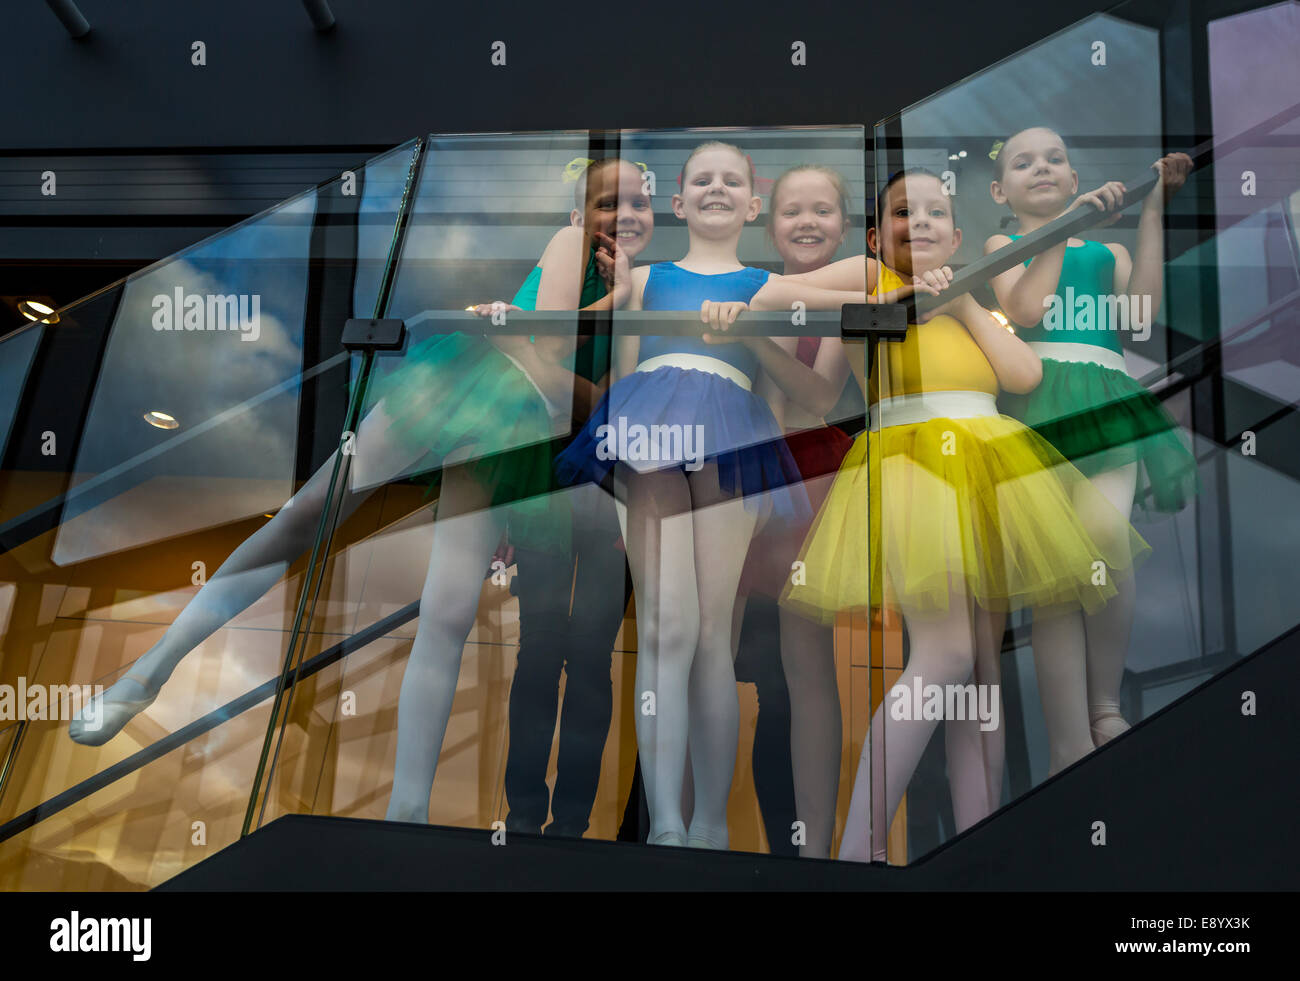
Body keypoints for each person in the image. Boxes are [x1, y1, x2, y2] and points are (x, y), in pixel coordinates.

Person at [986, 128, 1195, 770]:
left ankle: (1104, 703)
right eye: (1024, 163)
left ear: (1075, 179)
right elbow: (1025, 308)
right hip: (1035, 401)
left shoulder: (1105, 252)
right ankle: (1067, 741)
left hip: (1105, 396)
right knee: (1053, 578)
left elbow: (1140, 317)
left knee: (1104, 538)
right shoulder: (1002, 244)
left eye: (1055, 158)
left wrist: (1152, 208)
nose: (1042, 168)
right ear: (1001, 191)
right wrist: (1067, 225)